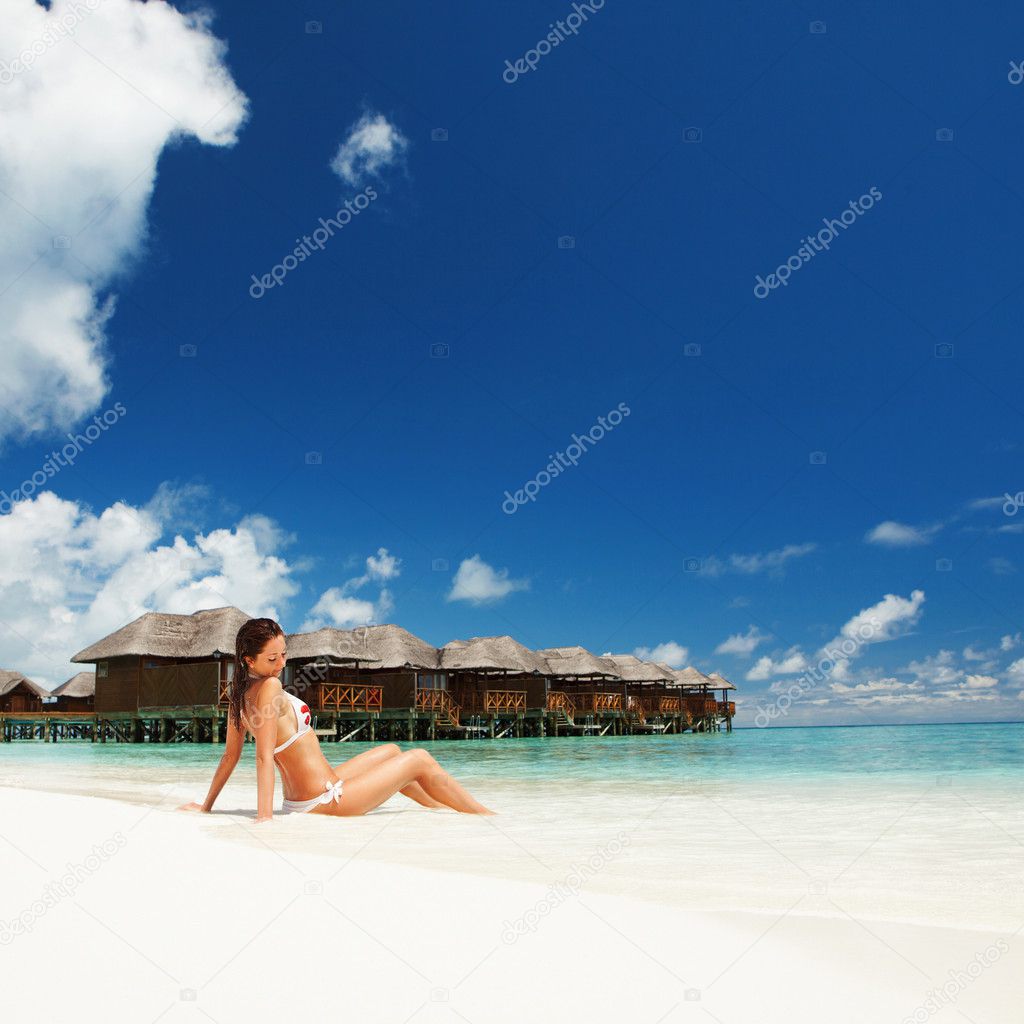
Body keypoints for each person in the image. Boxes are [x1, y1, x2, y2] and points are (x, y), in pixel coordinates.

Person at [177, 617, 495, 820]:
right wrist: (265, 819)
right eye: (272, 658)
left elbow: (229, 756)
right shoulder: (270, 687)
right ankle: (484, 815)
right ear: (249, 659)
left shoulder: (238, 695)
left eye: (284, 654)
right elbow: (261, 758)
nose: (281, 663)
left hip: (314, 790)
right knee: (420, 758)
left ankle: (443, 812)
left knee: (393, 751)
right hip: (326, 799)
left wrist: (206, 807)